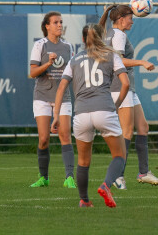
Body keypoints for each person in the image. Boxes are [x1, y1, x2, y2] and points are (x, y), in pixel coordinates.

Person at [51, 24, 129, 208]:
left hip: (81, 113)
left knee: (83, 161)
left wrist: (56, 115)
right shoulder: (111, 55)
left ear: (83, 39)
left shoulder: (74, 59)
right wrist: (115, 105)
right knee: (119, 156)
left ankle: (84, 200)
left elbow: (61, 87)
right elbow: (125, 84)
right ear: (102, 37)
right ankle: (106, 185)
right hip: (104, 110)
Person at [99, 4, 158, 189]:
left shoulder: (110, 32)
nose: (132, 20)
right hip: (121, 86)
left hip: (127, 87)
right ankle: (118, 176)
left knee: (143, 127)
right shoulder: (118, 34)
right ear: (121, 20)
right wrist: (142, 62)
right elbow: (118, 61)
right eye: (130, 17)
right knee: (126, 132)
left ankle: (144, 172)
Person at [29, 11, 76, 188]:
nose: (59, 25)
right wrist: (48, 64)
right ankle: (43, 178)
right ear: (47, 26)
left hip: (62, 97)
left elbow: (72, 71)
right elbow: (33, 73)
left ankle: (69, 177)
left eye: (61, 22)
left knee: (65, 135)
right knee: (43, 138)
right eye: (55, 22)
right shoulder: (40, 45)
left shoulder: (68, 47)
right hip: (42, 96)